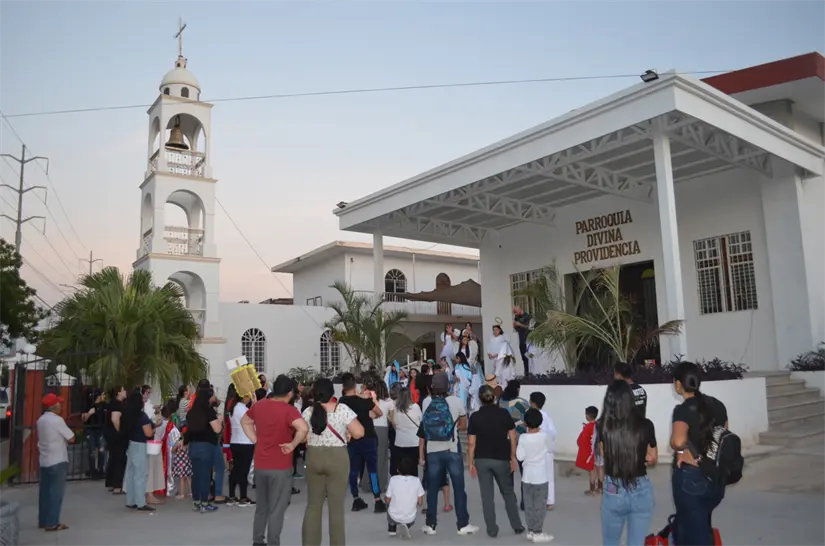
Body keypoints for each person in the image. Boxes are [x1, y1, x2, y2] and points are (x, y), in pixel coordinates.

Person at [241, 374, 308, 546]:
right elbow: (303, 428)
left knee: (262, 507)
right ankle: (273, 542)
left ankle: (257, 540)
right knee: (277, 509)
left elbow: (245, 421)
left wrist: (256, 439)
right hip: (281, 465)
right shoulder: (288, 410)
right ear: (289, 393)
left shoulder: (260, 405)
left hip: (261, 464)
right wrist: (293, 444)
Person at [670, 361, 729, 546]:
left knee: (695, 536)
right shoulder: (718, 405)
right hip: (715, 478)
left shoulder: (683, 410)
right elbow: (724, 436)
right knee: (698, 526)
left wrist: (681, 450)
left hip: (691, 480)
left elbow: (678, 441)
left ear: (678, 384)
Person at [301, 377, 364, 546]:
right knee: (336, 508)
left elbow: (301, 436)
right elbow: (359, 432)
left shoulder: (308, 412)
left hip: (314, 456)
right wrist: (347, 434)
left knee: (313, 505)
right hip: (337, 458)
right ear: (332, 393)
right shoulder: (341, 409)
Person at [418, 372, 478, 536]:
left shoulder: (426, 402)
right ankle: (462, 524)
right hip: (451, 449)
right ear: (448, 386)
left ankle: (431, 525)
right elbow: (463, 426)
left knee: (432, 488)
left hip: (432, 451)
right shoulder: (456, 401)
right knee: (459, 488)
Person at [599, 380, 658, 546]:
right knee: (636, 543)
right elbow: (652, 458)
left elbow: (604, 454)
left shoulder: (602, 426)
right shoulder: (646, 425)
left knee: (610, 541)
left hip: (613, 488)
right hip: (640, 488)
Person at [468, 385, 523, 539]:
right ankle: (516, 525)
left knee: (487, 497)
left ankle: (492, 529)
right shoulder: (504, 414)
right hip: (501, 458)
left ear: (480, 399)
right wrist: (512, 457)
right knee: (508, 492)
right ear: (494, 397)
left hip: (482, 459)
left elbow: (471, 443)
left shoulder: (475, 417)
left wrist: (471, 462)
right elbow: (512, 436)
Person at [338, 372, 387, 513]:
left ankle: (356, 499)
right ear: (355, 385)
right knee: (372, 469)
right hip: (369, 437)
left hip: (352, 439)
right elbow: (379, 412)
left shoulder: (342, 402)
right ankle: (377, 499)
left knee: (353, 470)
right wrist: (368, 415)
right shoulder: (365, 400)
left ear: (343, 386)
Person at [37, 393, 75, 532]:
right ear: (54, 406)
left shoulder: (40, 420)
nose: (60, 405)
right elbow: (71, 437)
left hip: (45, 459)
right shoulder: (57, 420)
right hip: (58, 459)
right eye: (58, 403)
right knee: (56, 493)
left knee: (45, 492)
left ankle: (43, 520)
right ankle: (52, 522)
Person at [516, 409, 554, 543]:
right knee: (539, 505)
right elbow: (550, 449)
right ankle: (538, 532)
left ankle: (531, 531)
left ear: (526, 423)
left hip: (527, 477)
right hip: (541, 477)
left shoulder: (523, 438)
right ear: (540, 422)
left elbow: (520, 457)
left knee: (529, 505)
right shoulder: (545, 437)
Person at [185, 386, 223, 513]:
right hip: (206, 446)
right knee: (205, 475)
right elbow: (217, 429)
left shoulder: (191, 412)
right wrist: (220, 421)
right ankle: (204, 503)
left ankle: (196, 502)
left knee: (196, 475)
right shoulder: (208, 411)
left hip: (193, 445)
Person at [122, 390, 156, 512]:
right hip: (141, 445)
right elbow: (148, 433)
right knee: (140, 475)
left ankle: (130, 500)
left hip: (131, 444)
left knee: (131, 474)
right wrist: (154, 428)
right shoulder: (142, 416)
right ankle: (140, 502)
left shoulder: (127, 415)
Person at [500, 380, 529, 510]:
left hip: (505, 439)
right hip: (521, 439)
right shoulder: (522, 402)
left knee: (508, 473)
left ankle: (510, 501)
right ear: (517, 389)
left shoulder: (501, 403)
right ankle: (524, 502)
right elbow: (528, 419)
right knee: (524, 472)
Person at [386, 457, 426, 539]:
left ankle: (392, 527)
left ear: (398, 469)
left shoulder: (393, 479)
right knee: (412, 508)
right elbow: (420, 502)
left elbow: (388, 499)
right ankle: (407, 525)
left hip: (394, 516)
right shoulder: (416, 480)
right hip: (410, 518)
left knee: (387, 499)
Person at [529, 392, 556, 510]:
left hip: (535, 451)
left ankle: (536, 500)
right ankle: (549, 501)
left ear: (532, 402)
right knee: (548, 475)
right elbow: (553, 433)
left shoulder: (530, 415)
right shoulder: (547, 416)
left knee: (534, 476)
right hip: (547, 450)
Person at [229, 390, 254, 505]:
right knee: (243, 471)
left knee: (236, 469)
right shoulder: (243, 409)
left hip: (235, 441)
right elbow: (253, 421)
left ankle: (232, 495)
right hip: (245, 442)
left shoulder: (233, 408)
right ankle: (243, 497)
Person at [390, 386, 423, 474]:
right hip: (413, 441)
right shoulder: (415, 407)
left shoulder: (396, 408)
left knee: (401, 468)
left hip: (400, 442)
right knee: (413, 468)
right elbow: (421, 421)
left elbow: (394, 422)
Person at [104, 385, 127, 494]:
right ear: (118, 392)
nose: (125, 392)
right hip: (116, 436)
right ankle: (117, 485)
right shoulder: (117, 404)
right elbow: (115, 419)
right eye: (123, 390)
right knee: (120, 459)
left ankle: (112, 483)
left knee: (114, 458)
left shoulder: (113, 403)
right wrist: (120, 432)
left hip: (111, 435)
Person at [81, 388, 106, 479]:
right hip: (90, 430)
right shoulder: (88, 406)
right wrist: (89, 413)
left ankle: (101, 469)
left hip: (100, 430)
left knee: (101, 450)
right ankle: (92, 470)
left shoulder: (104, 405)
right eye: (102, 394)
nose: (104, 396)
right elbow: (83, 419)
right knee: (91, 450)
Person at [576, 406, 599, 495]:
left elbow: (584, 439)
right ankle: (596, 487)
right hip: (594, 450)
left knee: (591, 470)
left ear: (588, 416)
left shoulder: (589, 426)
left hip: (590, 451)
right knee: (594, 469)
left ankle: (592, 489)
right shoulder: (596, 425)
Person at [512, 305, 532, 375]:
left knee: (530, 357)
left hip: (528, 340)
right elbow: (517, 329)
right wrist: (515, 326)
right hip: (522, 340)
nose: (515, 314)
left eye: (516, 312)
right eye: (514, 313)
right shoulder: (517, 317)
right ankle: (526, 373)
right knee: (524, 357)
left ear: (520, 309)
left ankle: (531, 372)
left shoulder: (527, 316)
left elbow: (529, 327)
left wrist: (520, 324)